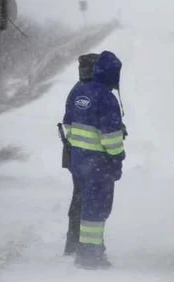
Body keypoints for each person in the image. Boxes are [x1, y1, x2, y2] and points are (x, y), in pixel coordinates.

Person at [63, 50, 125, 269]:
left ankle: (82, 247)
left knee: (84, 203)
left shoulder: (79, 91)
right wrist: (118, 155)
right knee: (96, 208)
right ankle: (90, 255)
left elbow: (68, 125)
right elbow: (111, 136)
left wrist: (81, 149)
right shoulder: (106, 98)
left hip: (79, 160)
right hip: (99, 164)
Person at [61, 53, 100, 256]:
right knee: (90, 201)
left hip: (76, 156)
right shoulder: (96, 92)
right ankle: (84, 246)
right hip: (90, 157)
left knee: (79, 198)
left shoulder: (76, 91)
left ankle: (73, 242)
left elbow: (68, 122)